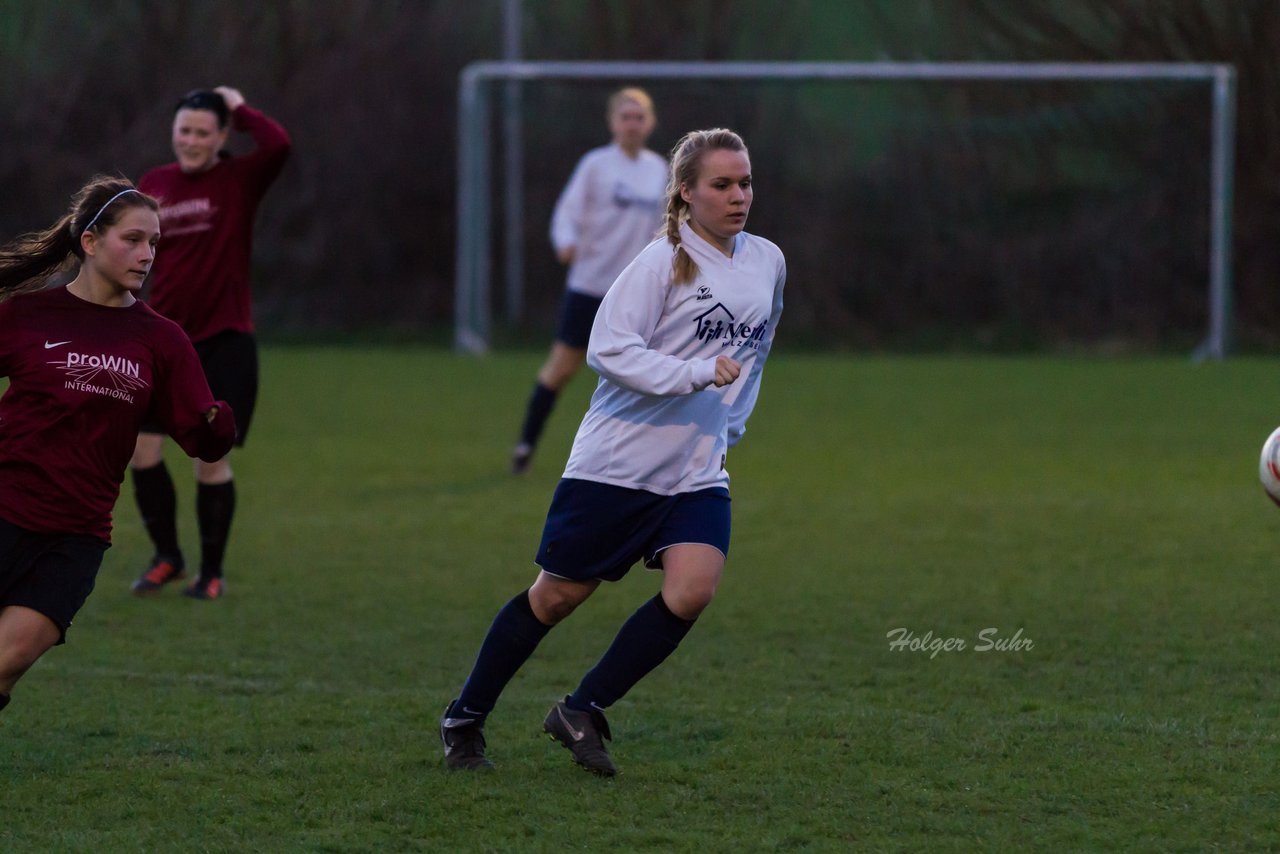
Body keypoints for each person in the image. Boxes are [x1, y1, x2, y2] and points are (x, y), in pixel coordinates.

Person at [442, 128, 786, 775]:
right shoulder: (662, 260)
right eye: (722, 184)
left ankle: (582, 709)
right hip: (618, 466)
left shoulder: (767, 260)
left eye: (745, 182)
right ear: (687, 192)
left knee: (693, 590)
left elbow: (756, 348)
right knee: (555, 599)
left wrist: (732, 419)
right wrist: (691, 374)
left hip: (696, 470)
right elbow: (608, 349)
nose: (739, 195)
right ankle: (464, 716)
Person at [0, 176, 236, 713]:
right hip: (6, 511)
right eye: (133, 239)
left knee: (7, 661)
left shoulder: (161, 339)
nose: (147, 254)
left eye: (154, 243)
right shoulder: (25, 315)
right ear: (90, 241)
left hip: (76, 535)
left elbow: (201, 439)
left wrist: (219, 422)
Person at [128, 86, 290, 601]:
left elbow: (278, 145)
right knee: (141, 451)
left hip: (225, 342)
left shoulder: (239, 179)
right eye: (184, 131)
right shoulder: (153, 184)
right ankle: (168, 558)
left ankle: (211, 573)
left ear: (221, 136)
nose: (191, 141)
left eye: (203, 132)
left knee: (210, 459)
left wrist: (241, 108)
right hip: (164, 341)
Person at [511, 87, 668, 474]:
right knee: (563, 368)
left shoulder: (658, 169)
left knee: (642, 375)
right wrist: (565, 241)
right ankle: (525, 446)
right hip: (590, 286)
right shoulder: (596, 165)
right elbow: (566, 213)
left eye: (639, 117)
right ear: (612, 122)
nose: (632, 124)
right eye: (625, 117)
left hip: (634, 291)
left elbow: (665, 227)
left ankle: (640, 460)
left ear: (650, 123)